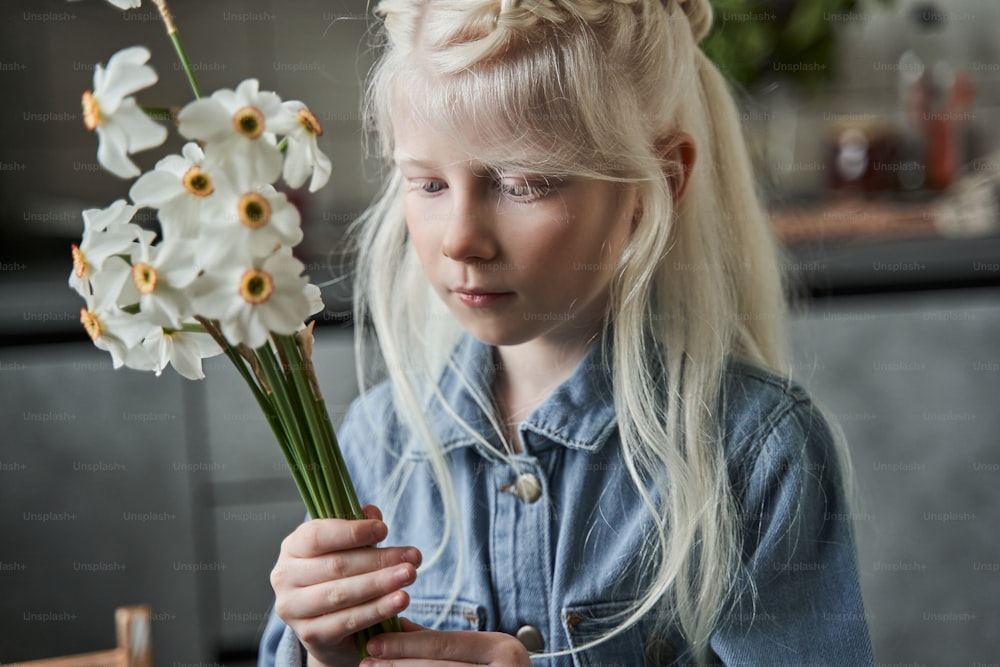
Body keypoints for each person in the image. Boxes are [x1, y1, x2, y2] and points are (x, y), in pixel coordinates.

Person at [259, 0, 874, 665]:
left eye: (522, 184)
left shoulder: (757, 452)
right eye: (429, 183)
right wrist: (322, 654)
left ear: (657, 182)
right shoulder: (375, 441)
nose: (461, 236)